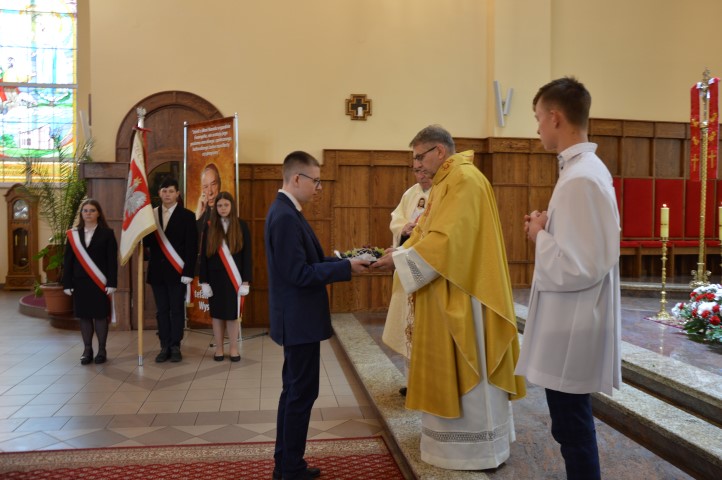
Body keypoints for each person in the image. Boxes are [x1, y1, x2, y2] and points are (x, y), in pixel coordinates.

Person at [372, 125, 526, 470]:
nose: (416, 165)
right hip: (446, 288)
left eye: (419, 156)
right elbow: (427, 231)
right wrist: (399, 251)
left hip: (467, 294)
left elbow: (448, 243)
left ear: (439, 151)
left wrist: (400, 260)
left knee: (472, 369)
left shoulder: (465, 181)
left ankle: (479, 451)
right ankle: (450, 448)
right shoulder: (445, 182)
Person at [516, 77, 621, 480]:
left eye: (539, 118)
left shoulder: (581, 178)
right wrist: (549, 226)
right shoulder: (581, 172)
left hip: (572, 326)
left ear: (556, 118)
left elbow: (582, 265)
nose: (538, 127)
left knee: (572, 428)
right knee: (570, 426)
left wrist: (538, 234)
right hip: (571, 320)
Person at [265, 151, 369, 480]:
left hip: (298, 320)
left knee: (295, 393)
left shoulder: (287, 211)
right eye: (316, 181)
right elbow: (299, 273)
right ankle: (290, 468)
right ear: (297, 178)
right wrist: (344, 269)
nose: (319, 187)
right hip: (298, 321)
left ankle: (286, 463)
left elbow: (308, 261)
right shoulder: (285, 216)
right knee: (300, 394)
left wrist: (344, 260)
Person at [383, 160, 433, 396]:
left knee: (424, 332)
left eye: (424, 171)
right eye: (417, 171)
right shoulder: (410, 193)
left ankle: (426, 385)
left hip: (427, 270)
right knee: (408, 328)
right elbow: (397, 218)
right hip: (407, 268)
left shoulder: (442, 193)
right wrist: (404, 228)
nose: (421, 176)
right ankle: (411, 383)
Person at [144, 177, 198, 363]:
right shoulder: (150, 215)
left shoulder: (187, 216)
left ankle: (175, 345)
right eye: (164, 191)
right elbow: (148, 243)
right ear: (159, 193)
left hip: (178, 272)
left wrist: (188, 272)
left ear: (177, 194)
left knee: (176, 310)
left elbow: (191, 247)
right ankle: (164, 345)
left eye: (171, 191)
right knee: (161, 311)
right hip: (157, 272)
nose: (167, 194)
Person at [62, 199, 118, 365]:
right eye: (85, 210)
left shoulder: (107, 233)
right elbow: (68, 261)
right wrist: (67, 283)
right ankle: (87, 350)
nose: (88, 213)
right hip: (80, 282)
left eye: (92, 210)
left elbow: (112, 261)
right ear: (81, 214)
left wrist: (112, 282)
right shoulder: (73, 235)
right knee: (84, 316)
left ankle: (102, 350)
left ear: (98, 213)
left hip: (100, 282)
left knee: (100, 316)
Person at [199, 191, 252, 362]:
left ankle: (234, 349)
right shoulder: (209, 226)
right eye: (219, 205)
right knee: (217, 315)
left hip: (234, 279)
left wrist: (246, 281)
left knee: (232, 315)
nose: (223, 208)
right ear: (215, 208)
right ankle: (219, 349)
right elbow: (204, 256)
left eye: (226, 205)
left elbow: (247, 255)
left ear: (232, 206)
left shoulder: (241, 225)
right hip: (215, 279)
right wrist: (204, 281)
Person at [195, 163, 221, 231]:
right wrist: (198, 215)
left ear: (219, 184)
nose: (210, 192)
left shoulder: (226, 210)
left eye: (213, 184)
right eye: (205, 187)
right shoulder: (200, 213)